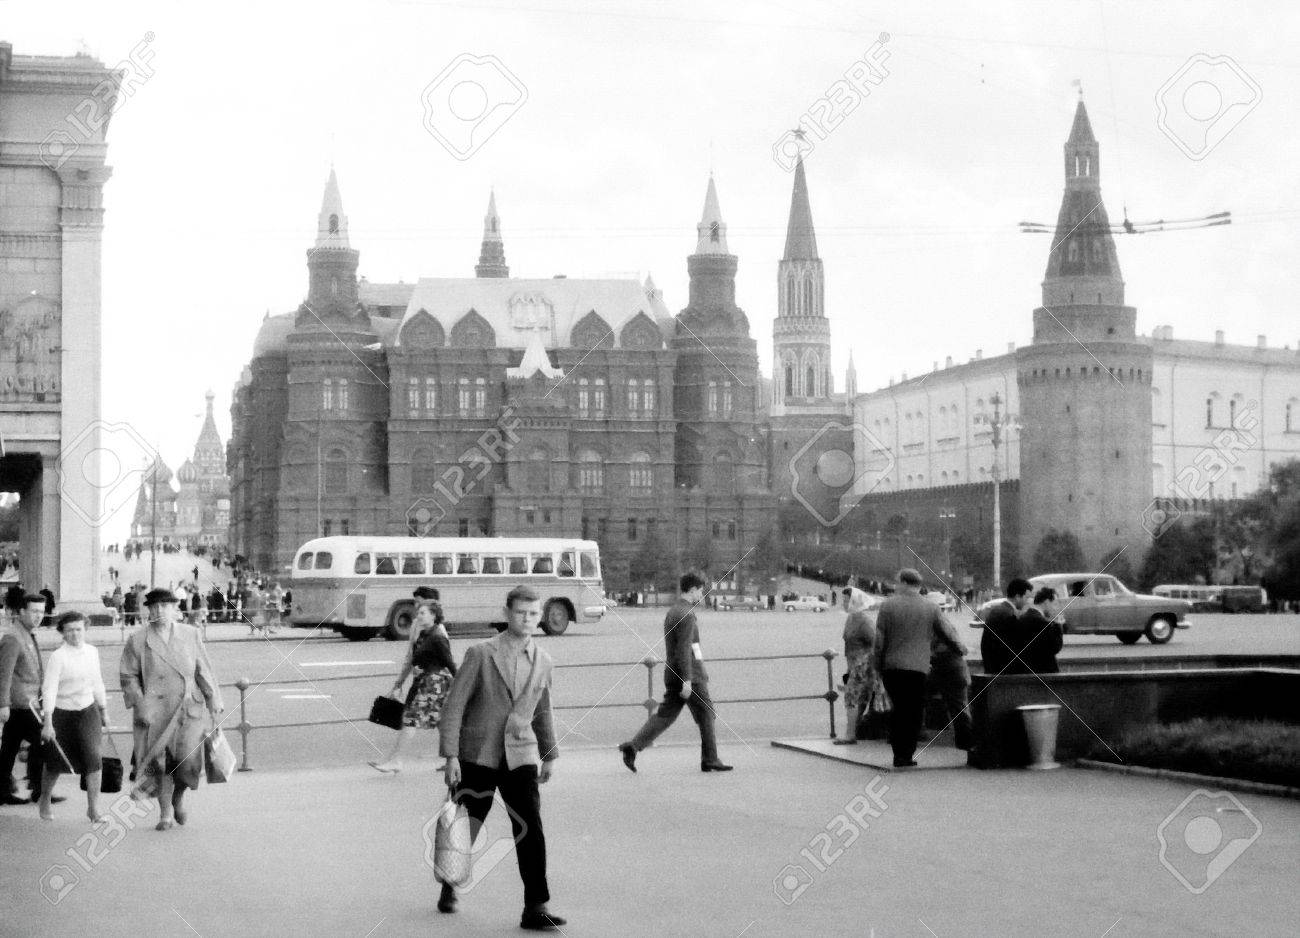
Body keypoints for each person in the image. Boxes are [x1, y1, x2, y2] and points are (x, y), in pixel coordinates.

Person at [438, 585, 565, 930]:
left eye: (534, 613)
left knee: (530, 827)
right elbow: (455, 706)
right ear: (507, 613)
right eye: (522, 612)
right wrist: (450, 755)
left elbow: (543, 711)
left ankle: (536, 907)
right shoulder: (481, 653)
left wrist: (549, 754)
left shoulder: (543, 660)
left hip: (520, 754)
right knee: (468, 824)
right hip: (479, 753)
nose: (528, 619)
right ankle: (449, 883)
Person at [119, 588, 224, 831]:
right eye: (154, 607)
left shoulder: (191, 634)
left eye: (165, 606)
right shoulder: (138, 639)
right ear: (149, 610)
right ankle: (165, 812)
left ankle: (178, 797)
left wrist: (213, 701)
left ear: (175, 609)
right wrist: (140, 702)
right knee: (160, 763)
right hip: (154, 712)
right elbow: (128, 676)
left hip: (189, 708)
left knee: (188, 762)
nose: (159, 611)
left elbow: (203, 670)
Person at [618, 572, 733, 773]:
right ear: (692, 590)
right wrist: (687, 680)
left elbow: (677, 650)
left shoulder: (673, 611)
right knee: (707, 714)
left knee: (665, 715)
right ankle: (710, 759)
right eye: (700, 590)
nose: (702, 594)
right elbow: (684, 650)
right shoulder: (687, 615)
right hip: (690, 675)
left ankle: (633, 746)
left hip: (672, 673)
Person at [872, 569, 965, 768]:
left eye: (897, 582)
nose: (896, 586)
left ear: (904, 582)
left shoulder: (887, 606)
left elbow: (879, 641)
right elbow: (946, 632)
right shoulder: (930, 607)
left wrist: (877, 666)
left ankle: (898, 752)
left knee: (898, 710)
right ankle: (907, 754)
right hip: (918, 667)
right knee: (914, 711)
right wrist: (960, 649)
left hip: (893, 667)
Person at [370, 600, 456, 773]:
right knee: (441, 722)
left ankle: (397, 761)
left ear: (433, 615)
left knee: (410, 720)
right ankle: (455, 760)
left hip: (434, 683)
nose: (418, 616)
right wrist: (404, 680)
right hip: (424, 681)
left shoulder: (438, 637)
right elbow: (415, 658)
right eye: (419, 613)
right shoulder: (424, 634)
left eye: (423, 613)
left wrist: (460, 685)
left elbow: (450, 663)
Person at [38, 611, 109, 821]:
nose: (75, 634)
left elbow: (97, 681)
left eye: (79, 629)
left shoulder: (92, 652)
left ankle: (93, 808)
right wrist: (48, 723)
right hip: (61, 712)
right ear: (62, 633)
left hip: (88, 711)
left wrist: (104, 709)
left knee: (94, 759)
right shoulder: (58, 657)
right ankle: (45, 797)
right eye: (69, 630)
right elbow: (49, 690)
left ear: (85, 629)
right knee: (55, 762)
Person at [0, 594, 54, 806]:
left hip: (27, 702)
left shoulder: (27, 634)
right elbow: (4, 673)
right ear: (21, 611)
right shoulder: (13, 638)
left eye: (41, 612)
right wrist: (3, 704)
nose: (38, 616)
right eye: (34, 611)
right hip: (22, 704)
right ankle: (39, 789)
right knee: (43, 741)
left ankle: (4, 789)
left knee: (10, 747)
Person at [834, 588, 889, 745]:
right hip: (855, 665)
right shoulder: (852, 618)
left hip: (863, 665)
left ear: (855, 602)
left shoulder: (864, 621)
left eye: (846, 600)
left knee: (851, 698)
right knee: (859, 699)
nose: (843, 603)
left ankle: (850, 734)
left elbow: (876, 643)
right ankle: (853, 731)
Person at [927, 607, 973, 750]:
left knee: (958, 706)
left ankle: (966, 742)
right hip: (950, 665)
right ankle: (966, 743)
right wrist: (961, 649)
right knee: (959, 706)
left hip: (944, 666)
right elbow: (955, 642)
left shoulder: (932, 621)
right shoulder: (937, 621)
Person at [979, 578, 1035, 675]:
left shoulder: (997, 611)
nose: (1027, 602)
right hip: (1005, 674)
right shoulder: (1009, 615)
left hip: (992, 670)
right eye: (1026, 598)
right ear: (1017, 596)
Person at [1019, 587, 1064, 674]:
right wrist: (1058, 625)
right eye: (1054, 604)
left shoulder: (1022, 618)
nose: (1055, 608)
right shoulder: (1043, 623)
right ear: (1046, 602)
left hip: (1026, 671)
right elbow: (1055, 647)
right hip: (1044, 671)